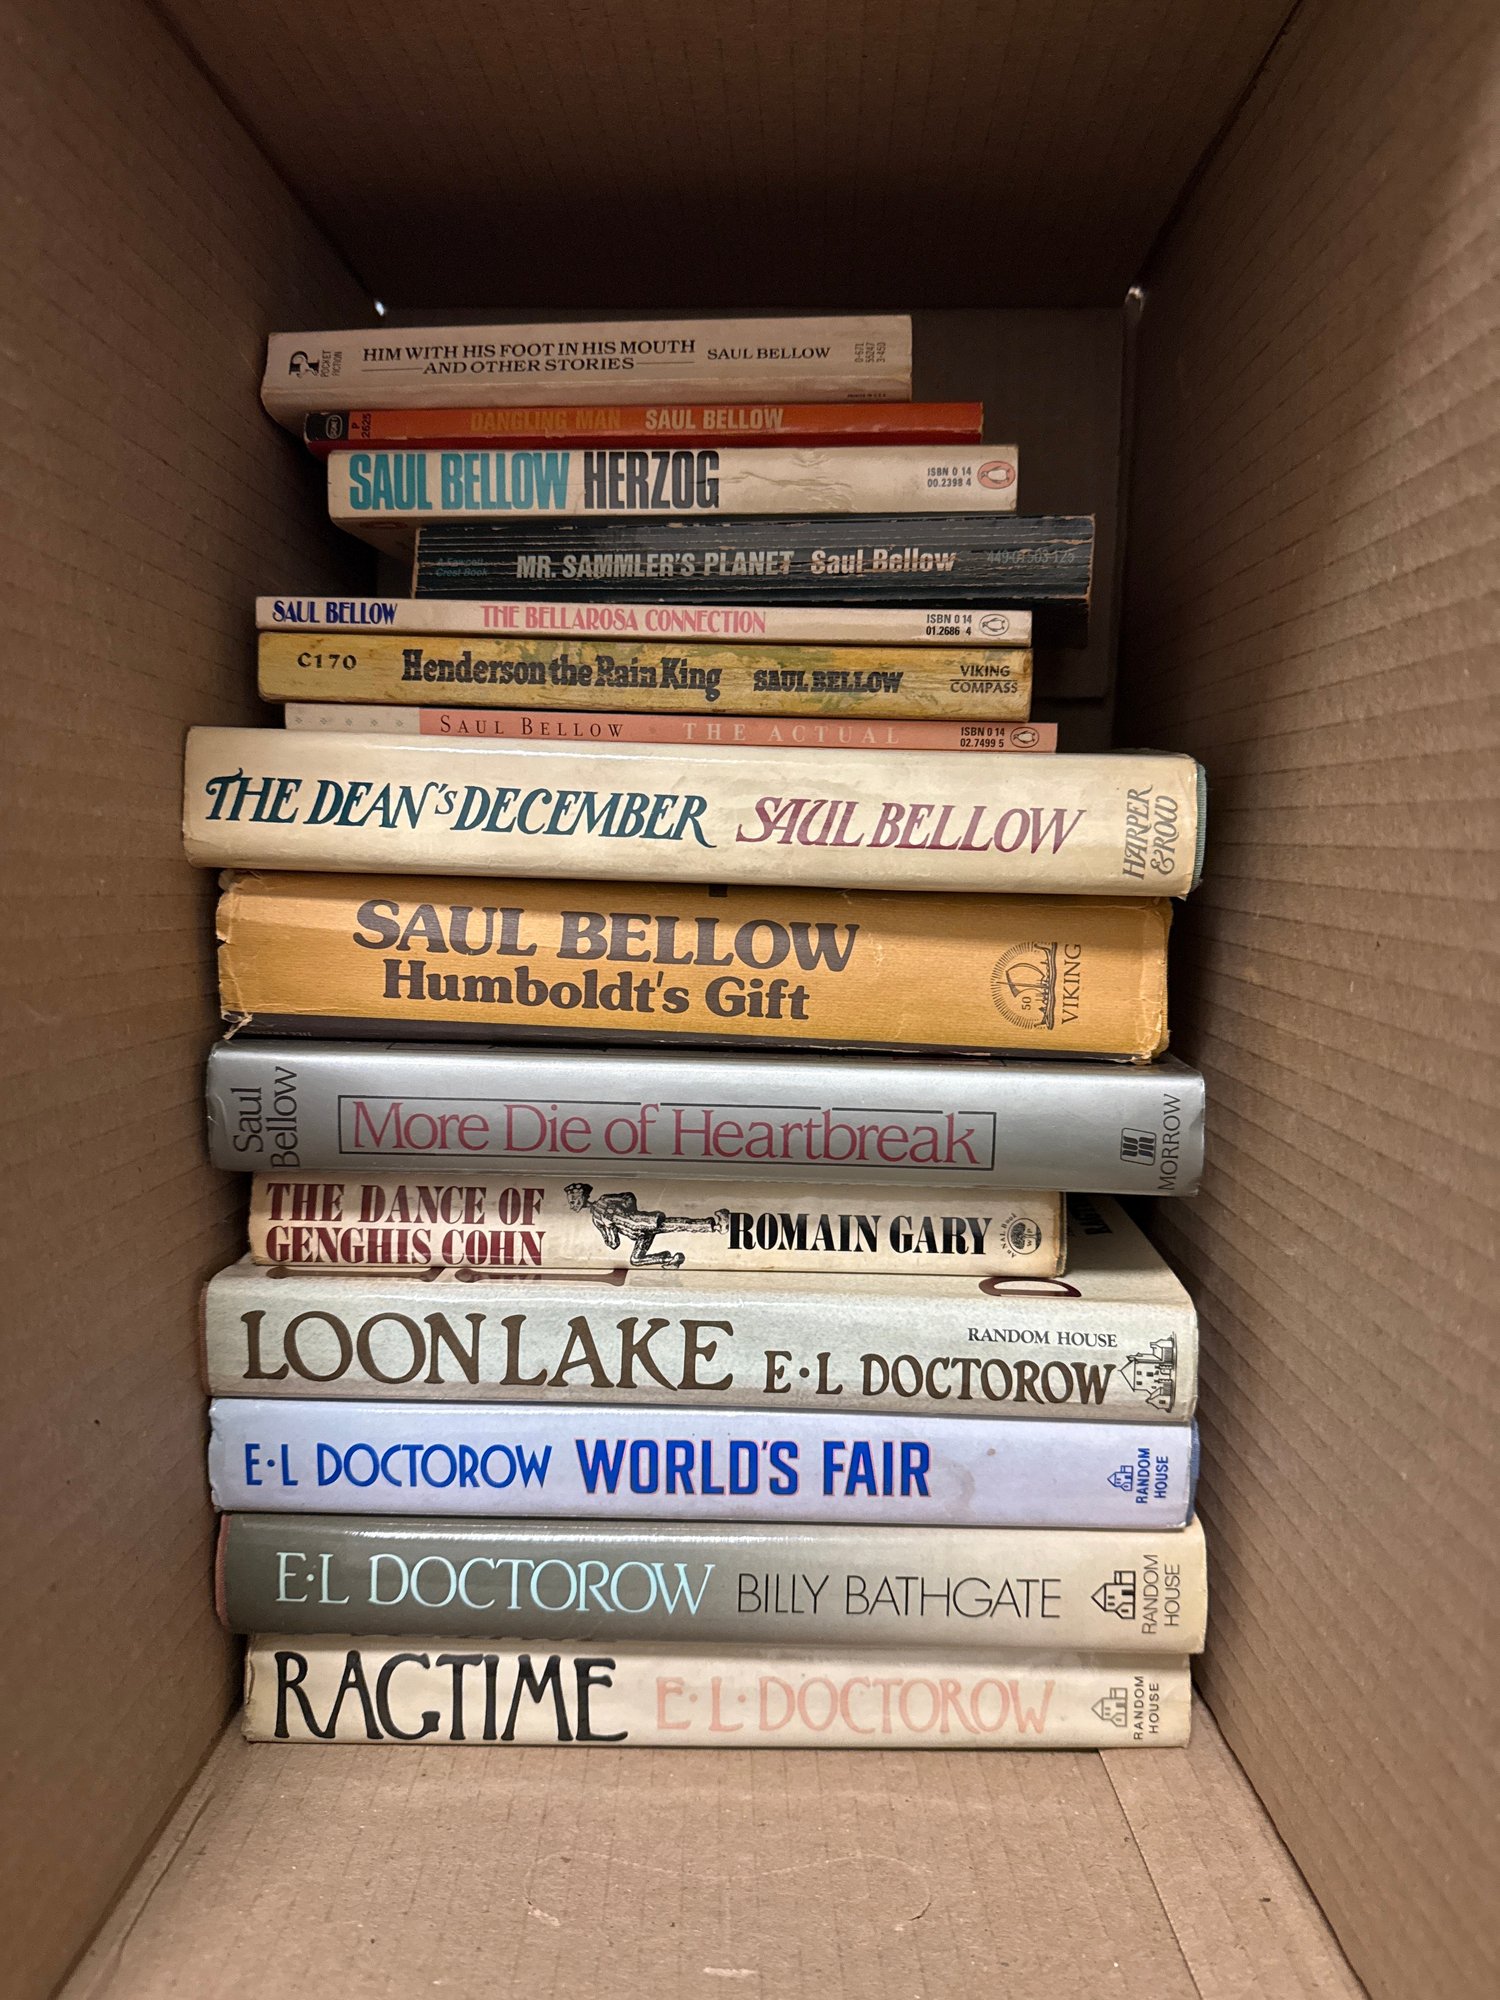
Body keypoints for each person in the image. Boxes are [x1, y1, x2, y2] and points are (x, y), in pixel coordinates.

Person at [563, 1182, 730, 1268]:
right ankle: (669, 1259)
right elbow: (613, 1244)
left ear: (582, 1197)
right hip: (638, 1235)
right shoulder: (597, 1220)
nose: (572, 1206)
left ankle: (716, 1225)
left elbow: (628, 1196)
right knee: (635, 1259)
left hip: (645, 1222)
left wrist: (629, 1213)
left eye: (573, 1201)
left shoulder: (605, 1199)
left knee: (677, 1224)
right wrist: (610, 1229)